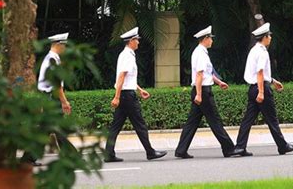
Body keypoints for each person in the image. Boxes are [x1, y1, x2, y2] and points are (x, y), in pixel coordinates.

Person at [175, 26, 244, 159]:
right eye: (210, 38)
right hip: (203, 92)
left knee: (192, 123)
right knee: (215, 121)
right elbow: (199, 75)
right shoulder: (200, 53)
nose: (212, 41)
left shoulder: (201, 52)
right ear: (205, 39)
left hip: (202, 90)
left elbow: (207, 73)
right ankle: (229, 149)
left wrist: (218, 82)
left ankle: (181, 150)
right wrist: (199, 94)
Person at [104, 27, 167, 162]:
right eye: (137, 40)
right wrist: (117, 96)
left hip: (126, 94)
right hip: (127, 97)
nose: (138, 42)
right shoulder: (128, 56)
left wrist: (139, 89)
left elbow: (127, 78)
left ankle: (108, 154)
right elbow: (121, 77)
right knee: (140, 125)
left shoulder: (126, 54)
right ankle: (150, 152)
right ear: (131, 41)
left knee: (116, 126)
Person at [235, 23, 293, 156]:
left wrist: (273, 81)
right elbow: (260, 72)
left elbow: (259, 73)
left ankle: (240, 147)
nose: (270, 38)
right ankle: (282, 146)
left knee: (248, 120)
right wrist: (262, 92)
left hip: (253, 88)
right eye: (269, 36)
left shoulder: (254, 50)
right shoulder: (262, 52)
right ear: (264, 37)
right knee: (272, 119)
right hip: (261, 88)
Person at [22, 32, 77, 166]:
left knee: (49, 129)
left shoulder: (52, 58)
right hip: (50, 99)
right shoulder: (52, 60)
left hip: (48, 98)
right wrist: (64, 102)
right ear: (58, 44)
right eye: (64, 45)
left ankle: (28, 158)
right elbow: (56, 85)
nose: (65, 48)